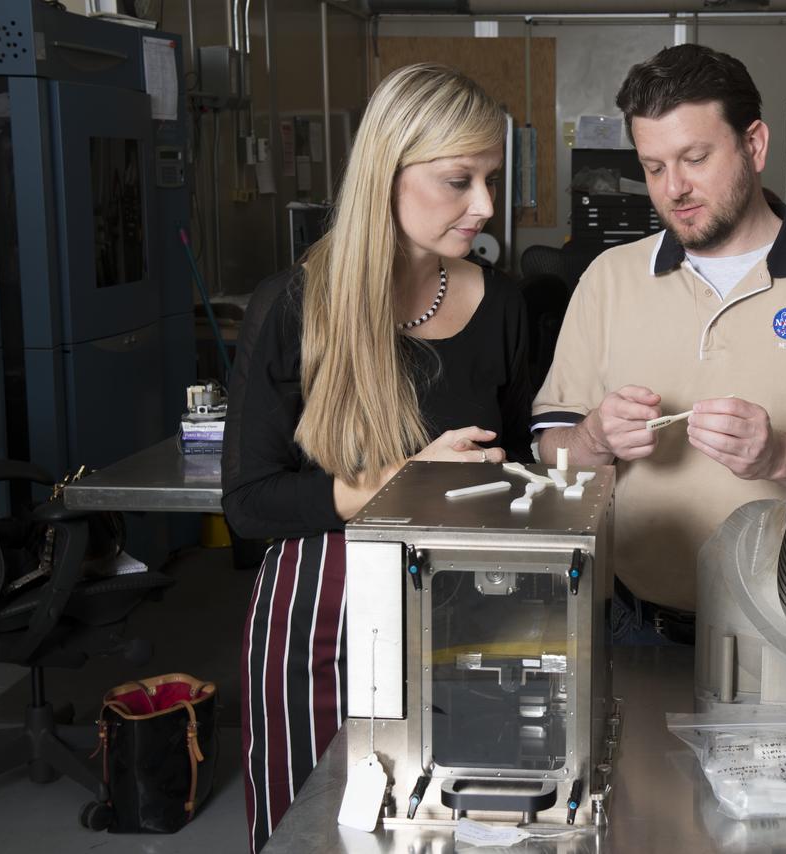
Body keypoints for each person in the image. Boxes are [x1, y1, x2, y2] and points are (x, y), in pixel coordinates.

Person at [221, 64, 532, 852]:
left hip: (469, 606)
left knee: (461, 826)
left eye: (491, 178)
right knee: (317, 828)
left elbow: (526, 462)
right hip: (323, 614)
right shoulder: (294, 306)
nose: (486, 206)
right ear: (386, 172)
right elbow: (250, 502)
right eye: (458, 180)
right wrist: (400, 481)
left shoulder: (503, 304)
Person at [531, 44, 786, 642]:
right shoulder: (609, 278)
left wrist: (780, 458)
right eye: (655, 167)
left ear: (755, 144)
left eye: (695, 158)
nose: (674, 188)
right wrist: (591, 438)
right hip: (633, 625)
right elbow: (550, 454)